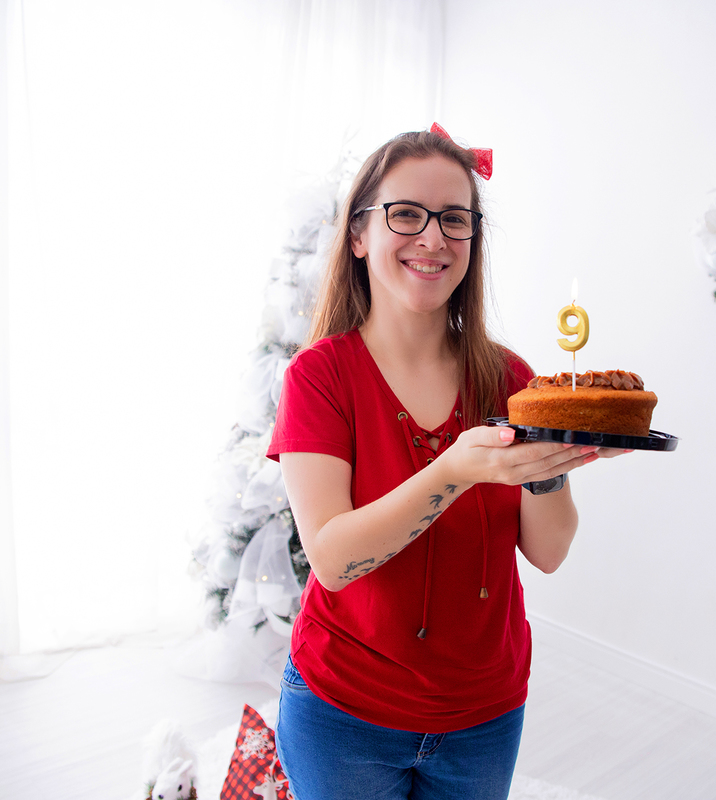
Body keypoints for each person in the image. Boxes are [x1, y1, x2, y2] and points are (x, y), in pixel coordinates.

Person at [266, 126, 625, 800]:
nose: (433, 239)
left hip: (484, 715)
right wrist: (455, 470)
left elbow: (547, 552)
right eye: (406, 214)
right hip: (342, 709)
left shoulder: (513, 379)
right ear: (358, 235)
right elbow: (334, 559)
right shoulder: (318, 376)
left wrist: (550, 464)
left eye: (455, 219)